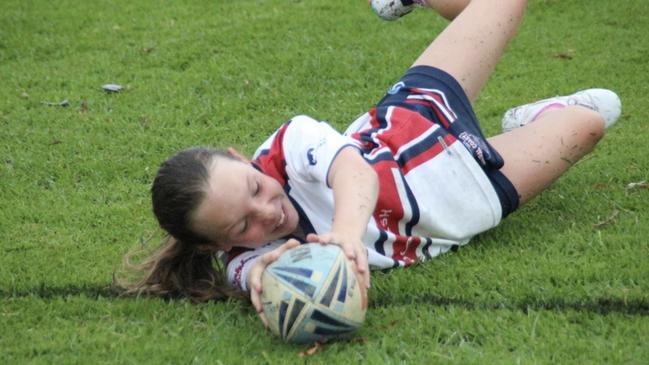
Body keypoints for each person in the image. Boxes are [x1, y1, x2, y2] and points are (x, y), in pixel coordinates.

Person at [119, 0, 621, 321]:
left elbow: (354, 171)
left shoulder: (287, 146)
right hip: (469, 197)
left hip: (416, 119)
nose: (267, 212)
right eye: (243, 225)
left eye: (254, 190)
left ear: (239, 159)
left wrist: (343, 235)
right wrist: (264, 278)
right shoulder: (250, 260)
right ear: (218, 244)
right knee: (594, 119)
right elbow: (252, 278)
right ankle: (543, 117)